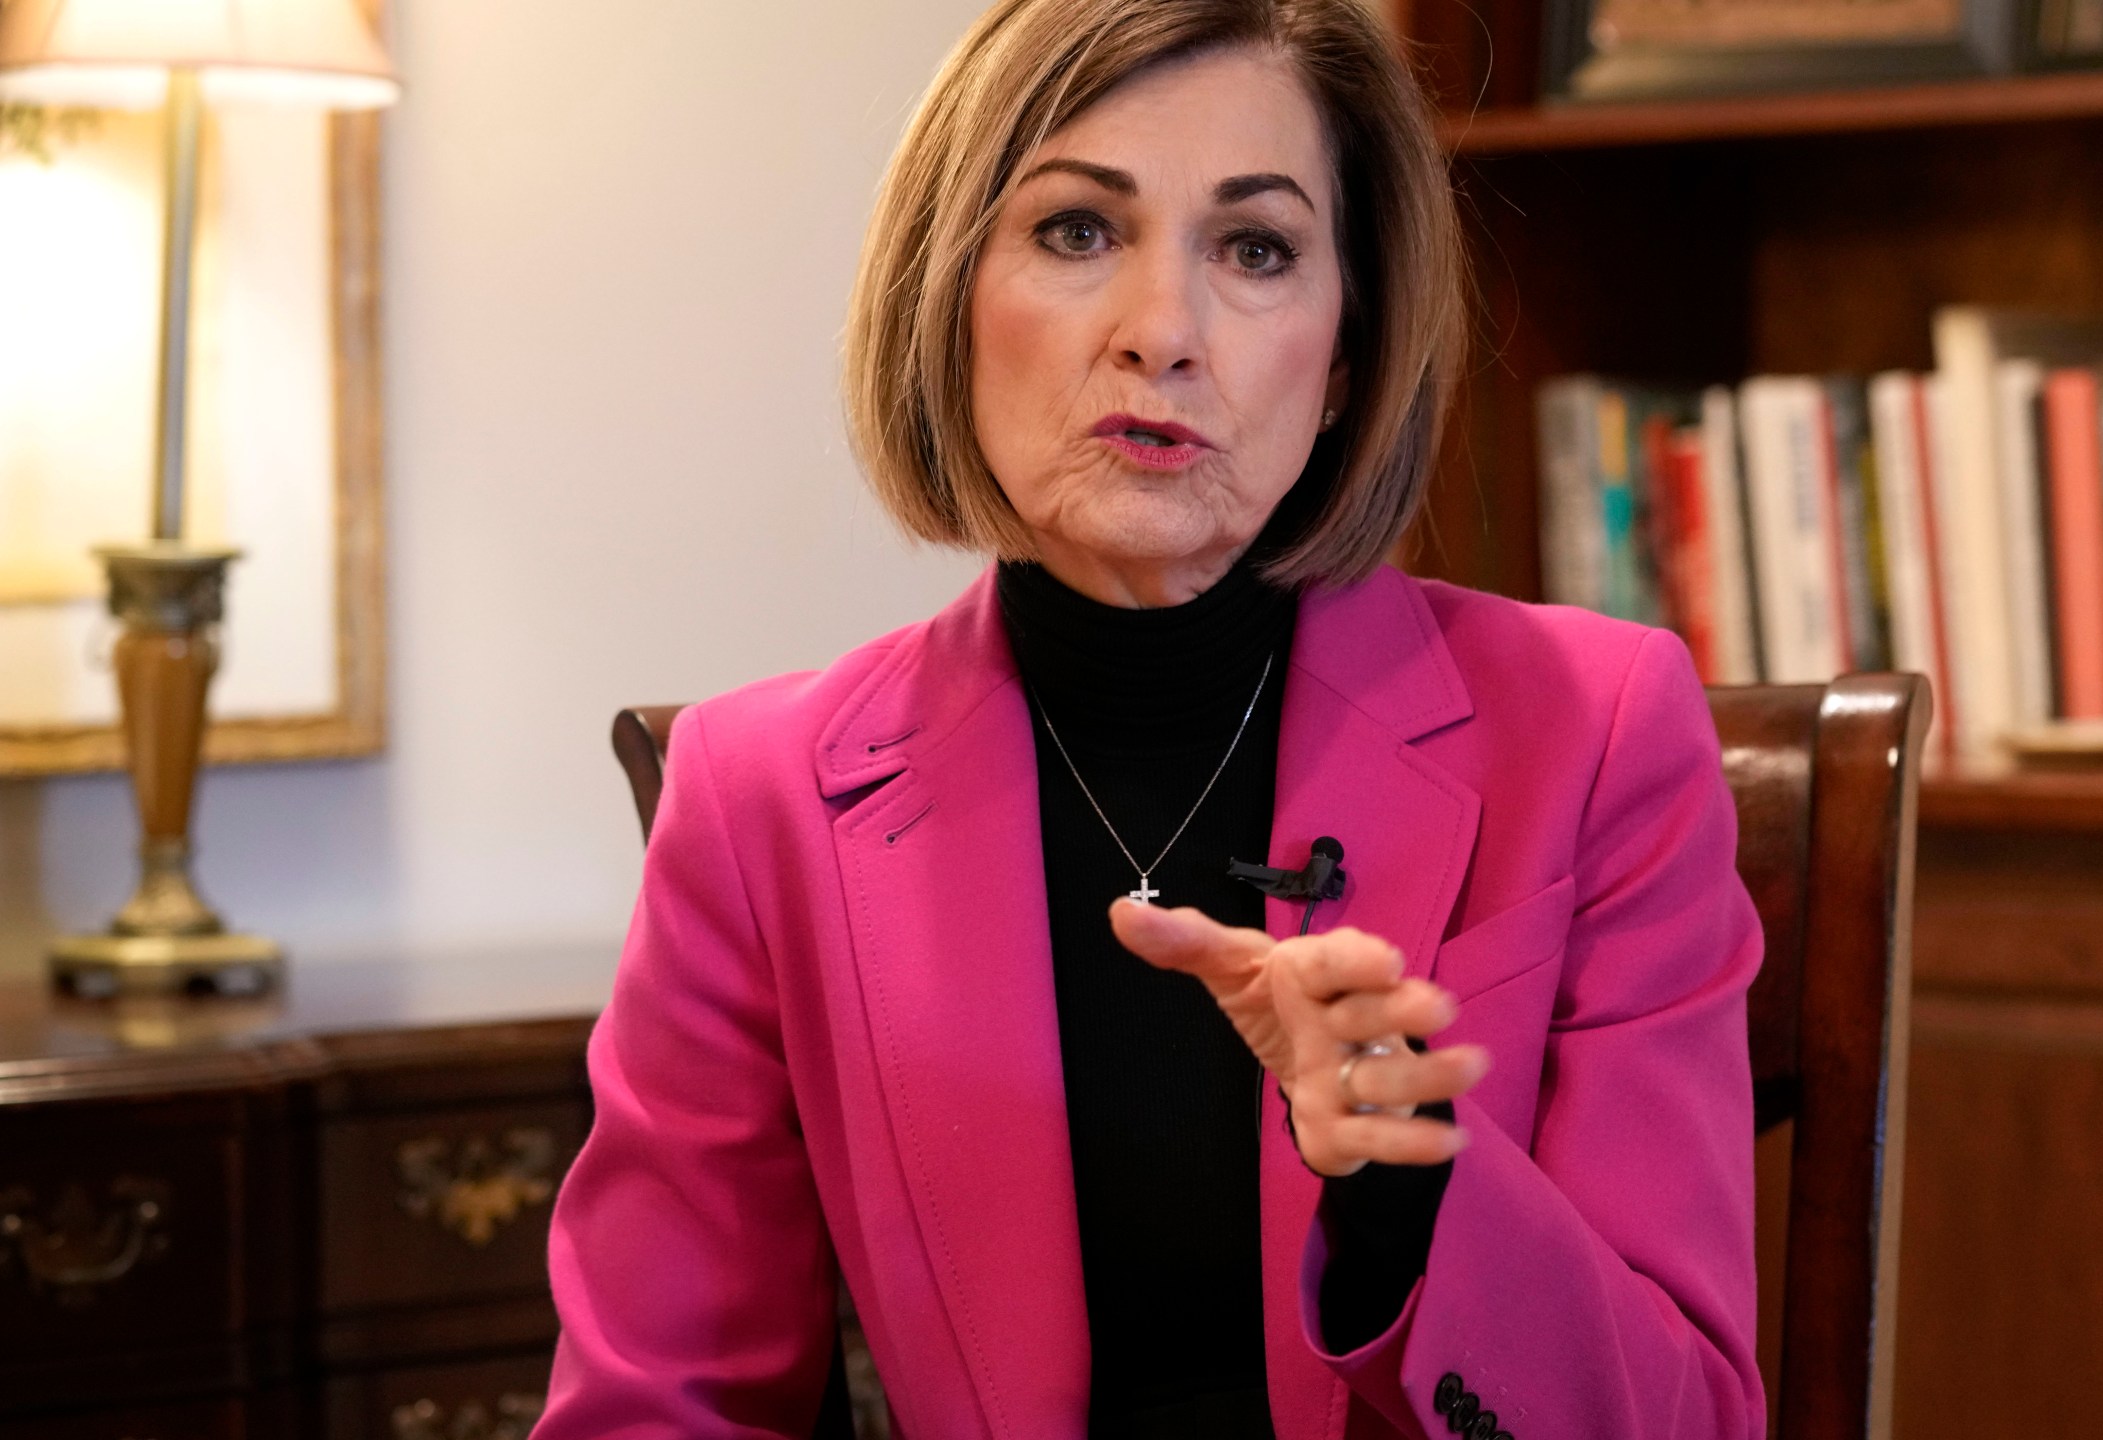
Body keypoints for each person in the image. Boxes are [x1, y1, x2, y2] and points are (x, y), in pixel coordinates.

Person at [532, 1, 1764, 1437]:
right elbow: (658, 1408)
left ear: (1349, 353)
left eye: (1256, 250)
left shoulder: (1598, 731)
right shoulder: (760, 801)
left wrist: (1415, 1184)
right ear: (949, 298)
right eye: (1075, 232)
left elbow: (1687, 1422)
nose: (1163, 333)